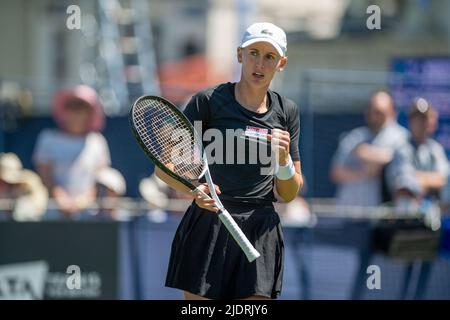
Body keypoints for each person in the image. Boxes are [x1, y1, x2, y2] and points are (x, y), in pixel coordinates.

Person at [154, 22, 303, 300]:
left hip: (261, 228)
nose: (260, 63)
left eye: (270, 56)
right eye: (253, 53)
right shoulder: (207, 102)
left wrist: (283, 162)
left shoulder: (287, 111)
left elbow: (289, 193)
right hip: (209, 223)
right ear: (239, 55)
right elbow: (165, 167)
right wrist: (195, 191)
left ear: (281, 63)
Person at [33, 85, 111, 220]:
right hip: (52, 214)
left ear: (90, 113)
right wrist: (61, 199)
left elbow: (100, 177)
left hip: (88, 216)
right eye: (71, 107)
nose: (75, 112)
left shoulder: (98, 141)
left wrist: (83, 201)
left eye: (81, 107)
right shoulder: (47, 138)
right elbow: (44, 175)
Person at [331, 91, 409, 209]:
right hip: (349, 211)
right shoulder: (354, 137)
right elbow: (335, 172)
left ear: (392, 113)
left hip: (384, 211)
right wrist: (363, 174)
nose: (376, 116)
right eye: (373, 111)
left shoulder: (400, 136)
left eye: (381, 113)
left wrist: (367, 153)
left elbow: (395, 158)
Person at [0, 153, 48, 221]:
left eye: (11, 184)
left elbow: (39, 204)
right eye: (2, 182)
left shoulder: (27, 187)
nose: (5, 186)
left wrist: (17, 205)